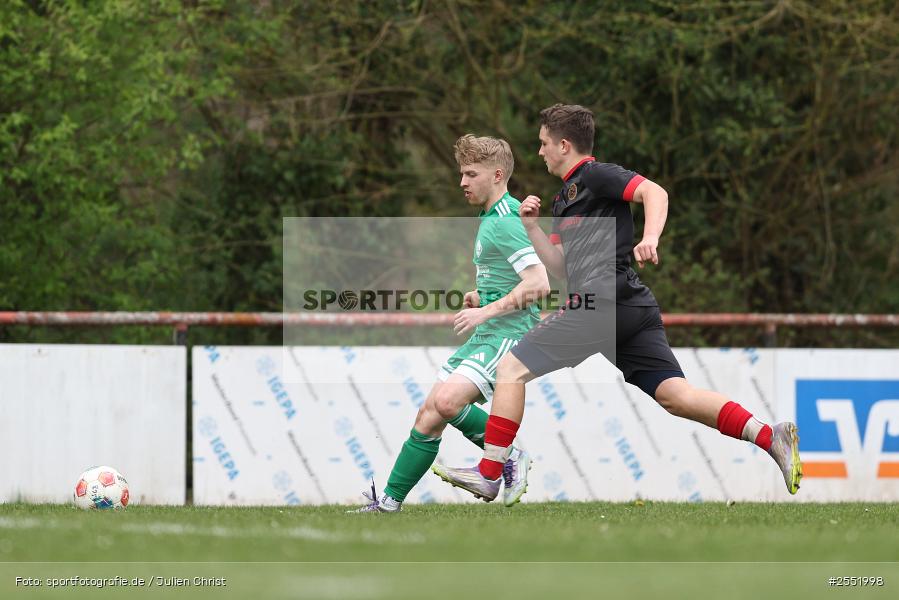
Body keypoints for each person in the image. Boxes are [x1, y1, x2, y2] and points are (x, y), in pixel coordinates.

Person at [432, 104, 802, 500]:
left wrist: (650, 238)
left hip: (604, 299)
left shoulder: (596, 174)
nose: (539, 152)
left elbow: (653, 192)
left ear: (563, 144)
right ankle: (769, 435)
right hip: (626, 305)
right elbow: (559, 267)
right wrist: (532, 229)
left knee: (509, 369)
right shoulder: (563, 200)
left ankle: (491, 472)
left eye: (542, 144)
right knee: (674, 396)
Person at [352, 134, 550, 512]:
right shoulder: (491, 217)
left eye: (470, 174)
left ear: (496, 175)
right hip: (490, 331)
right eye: (461, 173)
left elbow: (539, 283)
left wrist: (485, 311)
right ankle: (388, 503)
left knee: (446, 401)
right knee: (429, 414)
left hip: (509, 335)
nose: (462, 182)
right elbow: (512, 278)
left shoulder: (506, 220)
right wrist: (483, 297)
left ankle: (507, 458)